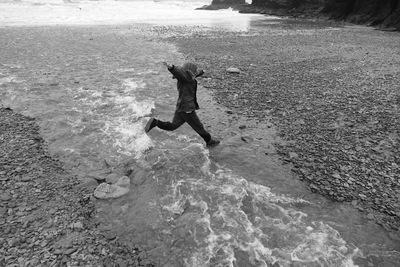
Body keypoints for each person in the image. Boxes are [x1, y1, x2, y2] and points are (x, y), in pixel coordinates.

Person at [145, 61, 220, 147]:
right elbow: (179, 72)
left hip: (181, 107)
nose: (195, 73)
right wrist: (171, 67)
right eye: (194, 71)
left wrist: (203, 71)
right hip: (187, 109)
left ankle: (155, 122)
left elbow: (193, 75)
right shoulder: (185, 78)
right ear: (189, 72)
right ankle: (209, 141)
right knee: (199, 127)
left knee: (172, 126)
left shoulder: (187, 78)